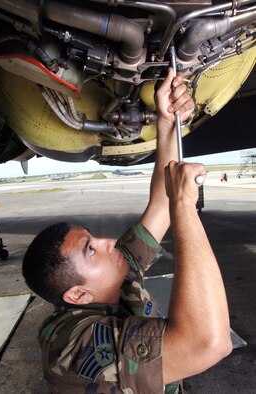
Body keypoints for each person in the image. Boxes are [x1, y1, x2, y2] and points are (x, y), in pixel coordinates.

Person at [22, 69, 232, 394]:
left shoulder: (116, 273)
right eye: (91, 249)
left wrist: (164, 122)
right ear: (78, 296)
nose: (108, 242)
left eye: (93, 238)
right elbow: (208, 343)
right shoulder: (71, 345)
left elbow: (161, 206)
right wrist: (186, 208)